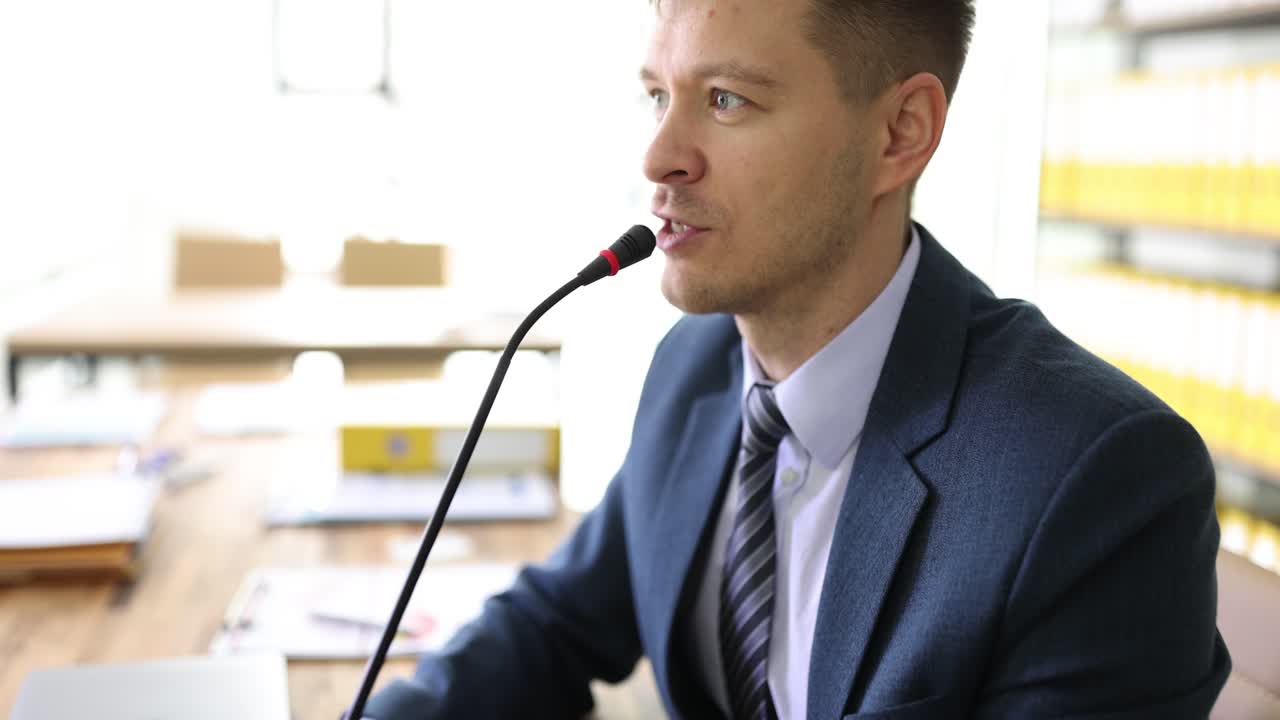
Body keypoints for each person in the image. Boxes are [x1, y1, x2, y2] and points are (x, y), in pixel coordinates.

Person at [363, 0, 1231, 717]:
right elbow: (552, 623)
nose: (660, 156)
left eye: (728, 99)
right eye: (658, 95)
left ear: (901, 132)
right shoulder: (696, 369)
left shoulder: (1101, 480)